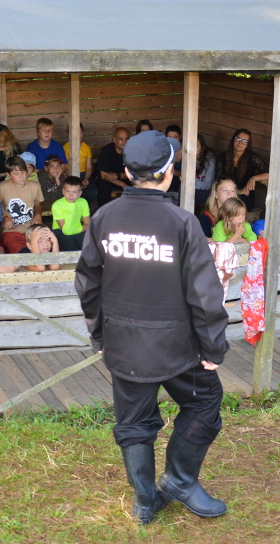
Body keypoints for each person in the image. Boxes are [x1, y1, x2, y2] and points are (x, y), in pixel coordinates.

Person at [76, 130, 229, 525]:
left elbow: (87, 282)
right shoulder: (182, 222)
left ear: (127, 172)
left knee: (134, 424)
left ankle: (148, 499)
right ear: (170, 172)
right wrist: (213, 346)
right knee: (205, 401)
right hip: (178, 347)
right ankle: (176, 482)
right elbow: (204, 292)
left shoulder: (104, 217)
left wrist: (99, 334)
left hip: (124, 343)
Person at [0, 155, 44, 254]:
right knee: (22, 253)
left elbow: (38, 205)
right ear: (8, 175)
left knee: (44, 249)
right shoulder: (2, 187)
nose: (21, 176)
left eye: (23, 172)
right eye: (16, 174)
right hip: (11, 231)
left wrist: (38, 215)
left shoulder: (35, 186)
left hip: (32, 229)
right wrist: (4, 217)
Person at [214, 129, 269, 213]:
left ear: (247, 145)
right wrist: (237, 191)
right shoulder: (222, 157)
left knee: (235, 208)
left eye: (244, 141)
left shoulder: (252, 158)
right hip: (227, 193)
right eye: (238, 139)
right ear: (233, 139)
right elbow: (218, 180)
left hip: (245, 196)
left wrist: (253, 179)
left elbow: (270, 174)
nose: (240, 143)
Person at [52, 176, 90, 252]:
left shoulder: (83, 202)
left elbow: (88, 224)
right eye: (67, 191)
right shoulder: (57, 205)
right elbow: (66, 231)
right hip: (60, 231)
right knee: (72, 251)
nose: (71, 195)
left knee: (88, 248)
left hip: (77, 228)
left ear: (80, 193)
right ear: (63, 191)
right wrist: (80, 228)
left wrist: (78, 228)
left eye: (74, 192)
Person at [95, 127, 131, 207]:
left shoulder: (132, 151)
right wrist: (123, 185)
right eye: (121, 139)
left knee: (139, 182)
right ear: (114, 140)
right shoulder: (107, 151)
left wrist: (118, 175)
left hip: (123, 177)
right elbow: (104, 175)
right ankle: (103, 212)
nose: (124, 142)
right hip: (108, 180)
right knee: (104, 185)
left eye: (126, 139)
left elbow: (135, 173)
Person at [193, 135, 217, 208]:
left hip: (205, 192)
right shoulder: (187, 156)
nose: (193, 149)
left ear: (202, 147)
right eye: (191, 145)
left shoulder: (209, 161)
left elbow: (207, 186)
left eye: (196, 146)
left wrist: (189, 179)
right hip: (194, 187)